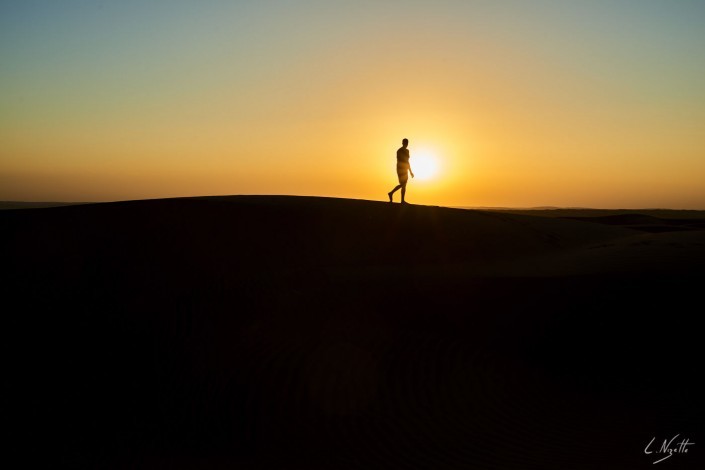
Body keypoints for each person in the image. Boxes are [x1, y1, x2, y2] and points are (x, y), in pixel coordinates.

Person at [388, 138, 414, 204]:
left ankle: (402, 200)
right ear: (402, 143)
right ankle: (391, 193)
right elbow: (401, 160)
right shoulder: (399, 151)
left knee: (404, 185)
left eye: (407, 143)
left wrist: (410, 171)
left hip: (405, 169)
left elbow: (407, 161)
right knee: (402, 184)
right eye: (405, 143)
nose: (406, 144)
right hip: (400, 169)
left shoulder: (407, 151)